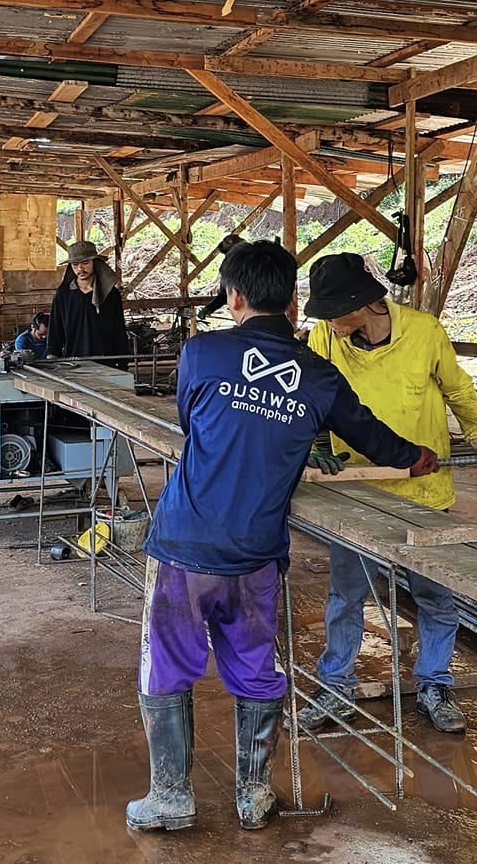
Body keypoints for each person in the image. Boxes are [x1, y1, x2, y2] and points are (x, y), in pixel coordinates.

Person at [128, 240, 435, 835]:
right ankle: (253, 797)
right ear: (294, 301)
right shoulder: (318, 376)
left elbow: (193, 425)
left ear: (234, 297)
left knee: (166, 667)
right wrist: (417, 457)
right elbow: (372, 436)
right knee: (254, 669)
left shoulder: (202, 353)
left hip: (185, 547)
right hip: (257, 555)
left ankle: (170, 798)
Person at [295, 252, 477, 737]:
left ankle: (434, 684)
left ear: (361, 304)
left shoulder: (424, 332)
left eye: (334, 314)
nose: (329, 324)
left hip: (424, 493)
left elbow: (458, 390)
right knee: (346, 597)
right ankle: (335, 687)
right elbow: (312, 398)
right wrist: (316, 446)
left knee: (435, 594)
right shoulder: (324, 339)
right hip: (357, 494)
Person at [48, 240, 128, 359]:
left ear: (94, 262)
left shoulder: (110, 294)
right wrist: (53, 355)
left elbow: (119, 328)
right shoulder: (64, 295)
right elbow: (55, 328)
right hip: (74, 361)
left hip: (106, 361)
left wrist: (122, 360)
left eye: (85, 263)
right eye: (75, 264)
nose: (80, 268)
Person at [194, 234, 245, 321]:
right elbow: (224, 294)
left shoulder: (234, 267)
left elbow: (224, 294)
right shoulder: (230, 268)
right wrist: (210, 308)